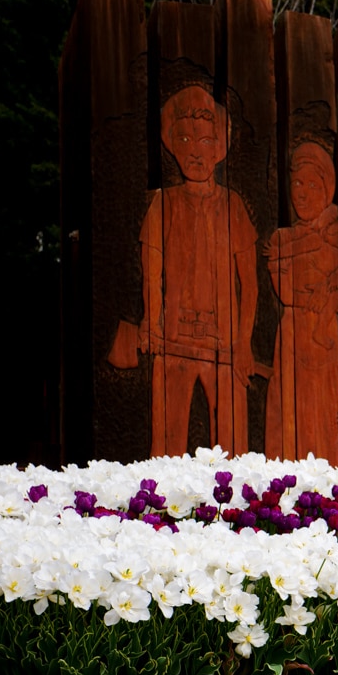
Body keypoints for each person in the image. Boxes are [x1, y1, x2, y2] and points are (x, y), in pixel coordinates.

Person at [137, 85, 258, 457]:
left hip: (225, 344)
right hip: (173, 340)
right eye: (185, 138)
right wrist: (151, 322)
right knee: (166, 441)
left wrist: (244, 342)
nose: (195, 150)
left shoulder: (233, 206)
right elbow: (151, 274)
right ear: (171, 143)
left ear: (220, 148)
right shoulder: (162, 204)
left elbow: (249, 283)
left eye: (206, 140)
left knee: (233, 445)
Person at [263, 140, 338, 463]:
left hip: (324, 340)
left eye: (312, 183)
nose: (303, 193)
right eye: (297, 183)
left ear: (328, 188)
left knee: (324, 408)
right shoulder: (283, 240)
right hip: (293, 336)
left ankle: (332, 482)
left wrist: (332, 293)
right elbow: (284, 292)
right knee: (290, 408)